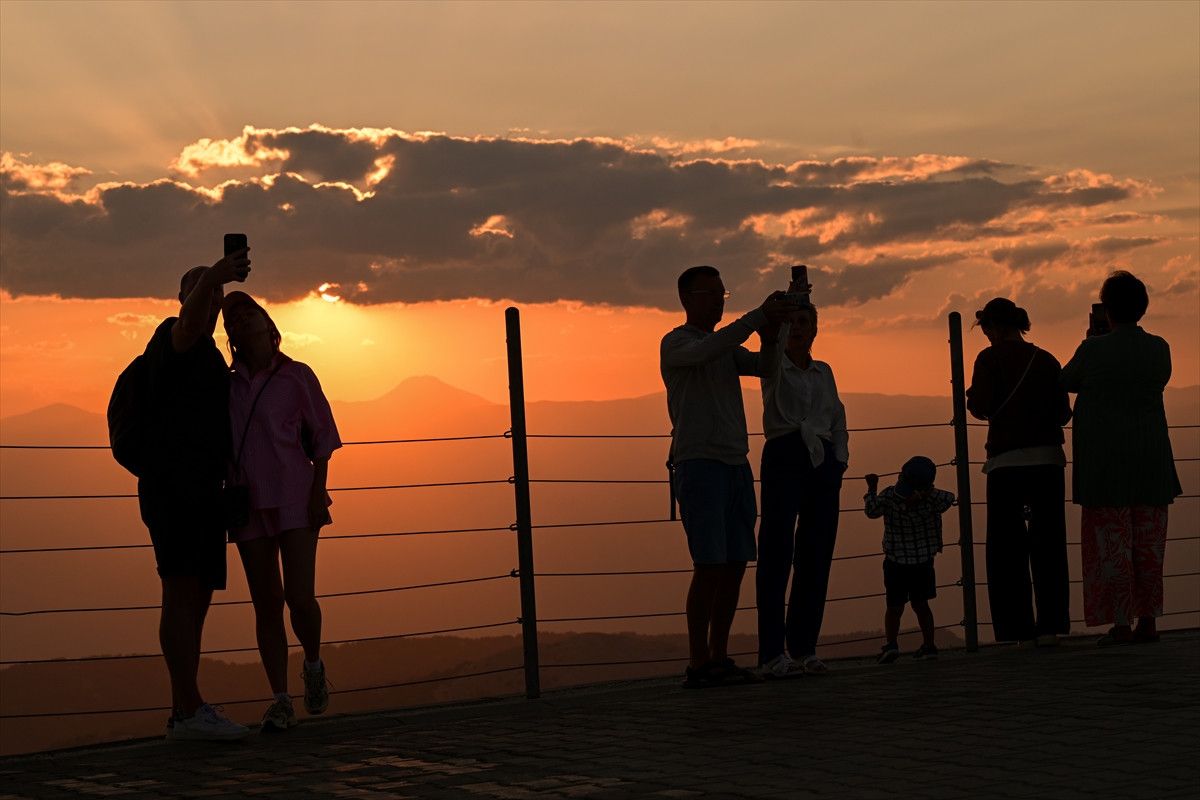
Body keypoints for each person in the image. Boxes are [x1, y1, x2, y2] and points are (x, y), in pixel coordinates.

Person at [661, 265, 795, 688]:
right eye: (713, 293)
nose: (720, 300)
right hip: (699, 464)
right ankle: (699, 661)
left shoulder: (719, 345)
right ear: (688, 299)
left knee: (735, 563)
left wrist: (772, 334)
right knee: (709, 565)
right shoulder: (677, 343)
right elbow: (708, 351)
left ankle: (718, 656)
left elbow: (766, 368)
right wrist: (757, 317)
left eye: (723, 293)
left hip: (736, 463)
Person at [137, 252, 252, 741]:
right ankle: (189, 712)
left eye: (216, 299)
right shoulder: (172, 338)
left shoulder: (207, 354)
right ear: (186, 299)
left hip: (205, 493)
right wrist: (214, 275)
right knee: (180, 596)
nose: (211, 304)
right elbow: (189, 322)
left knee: (196, 599)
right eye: (203, 294)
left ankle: (185, 709)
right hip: (175, 491)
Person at [222, 291, 342, 730]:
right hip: (246, 500)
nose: (241, 320)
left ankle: (312, 664)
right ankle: (280, 698)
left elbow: (323, 437)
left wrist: (318, 493)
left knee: (299, 598)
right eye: (233, 318)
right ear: (230, 335)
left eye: (247, 313)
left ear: (267, 322)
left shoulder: (297, 377)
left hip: (294, 493)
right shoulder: (227, 384)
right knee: (266, 604)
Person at [1061, 271, 1182, 646]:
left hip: (1106, 465)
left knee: (1111, 547)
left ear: (1107, 309)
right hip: (1152, 461)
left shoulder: (1094, 350)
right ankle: (1149, 621)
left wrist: (1092, 341)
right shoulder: (1160, 348)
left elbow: (1066, 380)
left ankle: (1120, 624)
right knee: (1148, 548)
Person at [965, 298, 1072, 647]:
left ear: (992, 328)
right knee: (1050, 545)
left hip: (1007, 463)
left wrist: (971, 399)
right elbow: (1062, 414)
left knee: (1006, 549)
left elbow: (981, 406)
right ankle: (1051, 626)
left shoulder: (989, 359)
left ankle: (1016, 630)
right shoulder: (1046, 359)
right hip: (1048, 461)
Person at [755, 304, 848, 677]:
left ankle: (804, 646)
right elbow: (767, 339)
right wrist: (781, 307)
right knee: (776, 552)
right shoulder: (772, 365)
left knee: (817, 551)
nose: (797, 328)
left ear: (815, 329)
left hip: (822, 460)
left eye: (803, 322)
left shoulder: (824, 371)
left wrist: (839, 458)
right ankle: (772, 653)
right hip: (783, 452)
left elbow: (837, 415)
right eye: (790, 322)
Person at [864, 457, 955, 663]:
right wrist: (927, 494)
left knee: (894, 606)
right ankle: (929, 645)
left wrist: (871, 488)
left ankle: (891, 645)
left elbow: (871, 511)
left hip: (895, 562)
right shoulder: (934, 500)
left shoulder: (889, 495)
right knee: (921, 605)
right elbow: (950, 497)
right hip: (923, 563)